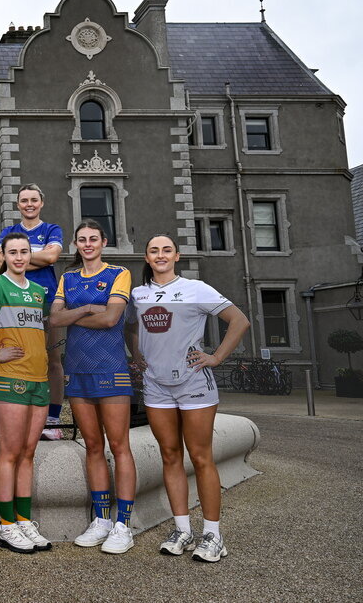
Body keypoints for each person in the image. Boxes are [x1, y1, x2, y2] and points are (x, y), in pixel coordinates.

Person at [126, 234, 249, 563]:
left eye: (167, 250)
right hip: (156, 386)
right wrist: (138, 356)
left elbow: (239, 321)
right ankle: (182, 529)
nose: (161, 255)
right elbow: (131, 329)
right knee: (169, 455)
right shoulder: (139, 294)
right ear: (147, 258)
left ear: (176, 256)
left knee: (200, 456)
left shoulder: (197, 288)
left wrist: (217, 357)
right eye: (154, 251)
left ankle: (213, 534)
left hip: (194, 384)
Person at [49, 219, 137, 554]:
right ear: (76, 243)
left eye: (93, 239)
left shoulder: (118, 273)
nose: (87, 244)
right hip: (78, 369)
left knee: (120, 446)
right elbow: (54, 319)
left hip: (111, 369)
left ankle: (123, 524)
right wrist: (87, 307)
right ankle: (101, 520)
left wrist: (73, 313)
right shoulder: (67, 278)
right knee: (93, 446)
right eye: (82, 240)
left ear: (103, 242)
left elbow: (111, 318)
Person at [0, 232, 54, 555]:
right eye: (12, 252)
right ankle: (6, 527)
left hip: (39, 379)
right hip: (9, 378)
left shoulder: (37, 290)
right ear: (3, 256)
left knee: (28, 453)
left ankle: (23, 520)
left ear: (30, 255)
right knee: (10, 451)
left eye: (24, 251)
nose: (19, 257)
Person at [0, 183, 66, 441]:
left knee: (52, 359)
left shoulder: (52, 229)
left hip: (47, 300)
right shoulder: (8, 230)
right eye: (24, 200)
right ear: (18, 204)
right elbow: (0, 261)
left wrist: (17, 254)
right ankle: (24, 415)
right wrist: (37, 254)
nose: (29, 204)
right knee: (19, 357)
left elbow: (52, 259)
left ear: (41, 203)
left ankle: (53, 418)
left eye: (33, 200)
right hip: (14, 300)